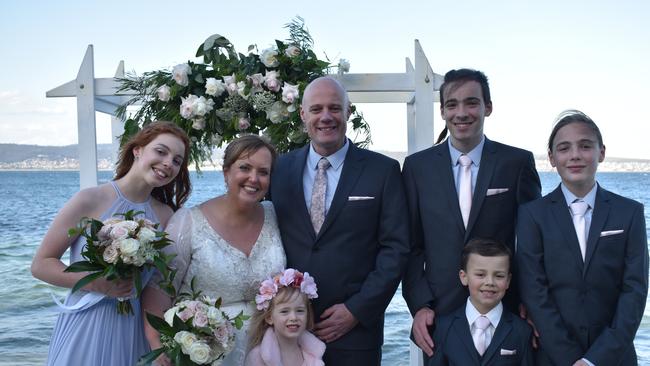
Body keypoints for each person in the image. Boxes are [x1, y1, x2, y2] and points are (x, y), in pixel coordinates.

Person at [401, 68, 542, 358]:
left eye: (471, 102)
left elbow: (531, 242)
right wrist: (420, 305)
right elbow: (411, 245)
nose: (461, 112)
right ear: (442, 111)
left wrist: (531, 302)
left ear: (487, 107)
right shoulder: (417, 168)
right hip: (438, 314)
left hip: (505, 311)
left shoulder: (516, 163)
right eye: (452, 104)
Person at [270, 76, 410, 365]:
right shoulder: (278, 169)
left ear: (348, 112)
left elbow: (396, 248)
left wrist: (357, 310)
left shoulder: (382, 171)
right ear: (302, 114)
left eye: (334, 108)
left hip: (355, 333)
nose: (325, 117)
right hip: (287, 332)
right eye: (316, 109)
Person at [31, 121, 192, 366]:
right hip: (87, 322)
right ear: (137, 150)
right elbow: (41, 264)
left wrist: (158, 341)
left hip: (133, 328)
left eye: (177, 160)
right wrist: (98, 284)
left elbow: (157, 287)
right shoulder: (90, 199)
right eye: (161, 151)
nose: (169, 163)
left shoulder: (166, 216)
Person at [516, 110, 648, 366]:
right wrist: (571, 360)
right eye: (564, 148)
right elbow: (534, 291)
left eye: (585, 146)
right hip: (552, 357)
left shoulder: (630, 212)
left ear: (601, 152)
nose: (575, 155)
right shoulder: (532, 215)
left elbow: (635, 290)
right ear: (552, 158)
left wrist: (594, 360)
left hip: (614, 358)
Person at [146, 134, 287, 365]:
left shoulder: (274, 215)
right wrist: (159, 346)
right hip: (205, 355)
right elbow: (158, 289)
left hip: (267, 352)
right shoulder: (188, 222)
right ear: (226, 172)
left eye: (263, 172)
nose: (254, 178)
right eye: (244, 167)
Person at [428, 238, 534, 366]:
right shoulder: (444, 327)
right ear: (464, 277)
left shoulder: (522, 331)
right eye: (480, 274)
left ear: (508, 280)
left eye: (499, 276)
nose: (490, 282)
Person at [245, 268, 325, 366]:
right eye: (284, 311)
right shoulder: (257, 357)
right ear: (269, 318)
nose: (293, 317)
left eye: (300, 311)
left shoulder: (314, 354)